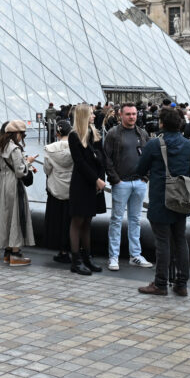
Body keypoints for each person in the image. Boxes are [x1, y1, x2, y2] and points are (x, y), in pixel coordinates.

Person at [136, 107, 190, 296]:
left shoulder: (154, 144)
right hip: (180, 199)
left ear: (162, 123)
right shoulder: (188, 145)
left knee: (162, 242)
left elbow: (140, 169)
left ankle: (161, 283)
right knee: (180, 240)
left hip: (160, 199)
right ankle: (182, 284)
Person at [104, 102, 152, 271]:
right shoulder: (113, 134)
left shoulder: (142, 133)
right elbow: (107, 159)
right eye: (128, 114)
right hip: (121, 183)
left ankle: (135, 255)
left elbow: (148, 156)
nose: (132, 117)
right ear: (120, 115)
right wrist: (116, 180)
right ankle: (113, 257)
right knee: (116, 220)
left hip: (139, 183)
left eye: (134, 114)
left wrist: (145, 178)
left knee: (135, 220)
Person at [67, 104, 108, 275]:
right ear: (83, 116)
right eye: (91, 114)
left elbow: (101, 158)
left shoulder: (94, 133)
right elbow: (80, 163)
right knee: (78, 221)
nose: (94, 116)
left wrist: (101, 178)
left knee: (88, 221)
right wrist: (97, 180)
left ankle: (87, 257)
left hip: (94, 183)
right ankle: (76, 260)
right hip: (82, 184)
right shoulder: (74, 136)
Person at [0, 120, 36, 266]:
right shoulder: (14, 149)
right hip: (13, 184)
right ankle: (15, 254)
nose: (22, 137)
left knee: (6, 216)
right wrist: (28, 162)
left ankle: (8, 252)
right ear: (16, 133)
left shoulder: (0, 146)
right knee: (16, 215)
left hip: (3, 183)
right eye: (22, 134)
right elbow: (20, 171)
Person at [42, 120, 74, 264]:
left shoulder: (50, 149)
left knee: (57, 220)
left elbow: (47, 170)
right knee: (70, 221)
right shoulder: (75, 147)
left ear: (57, 133)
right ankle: (72, 248)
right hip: (71, 190)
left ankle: (61, 251)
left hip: (55, 188)